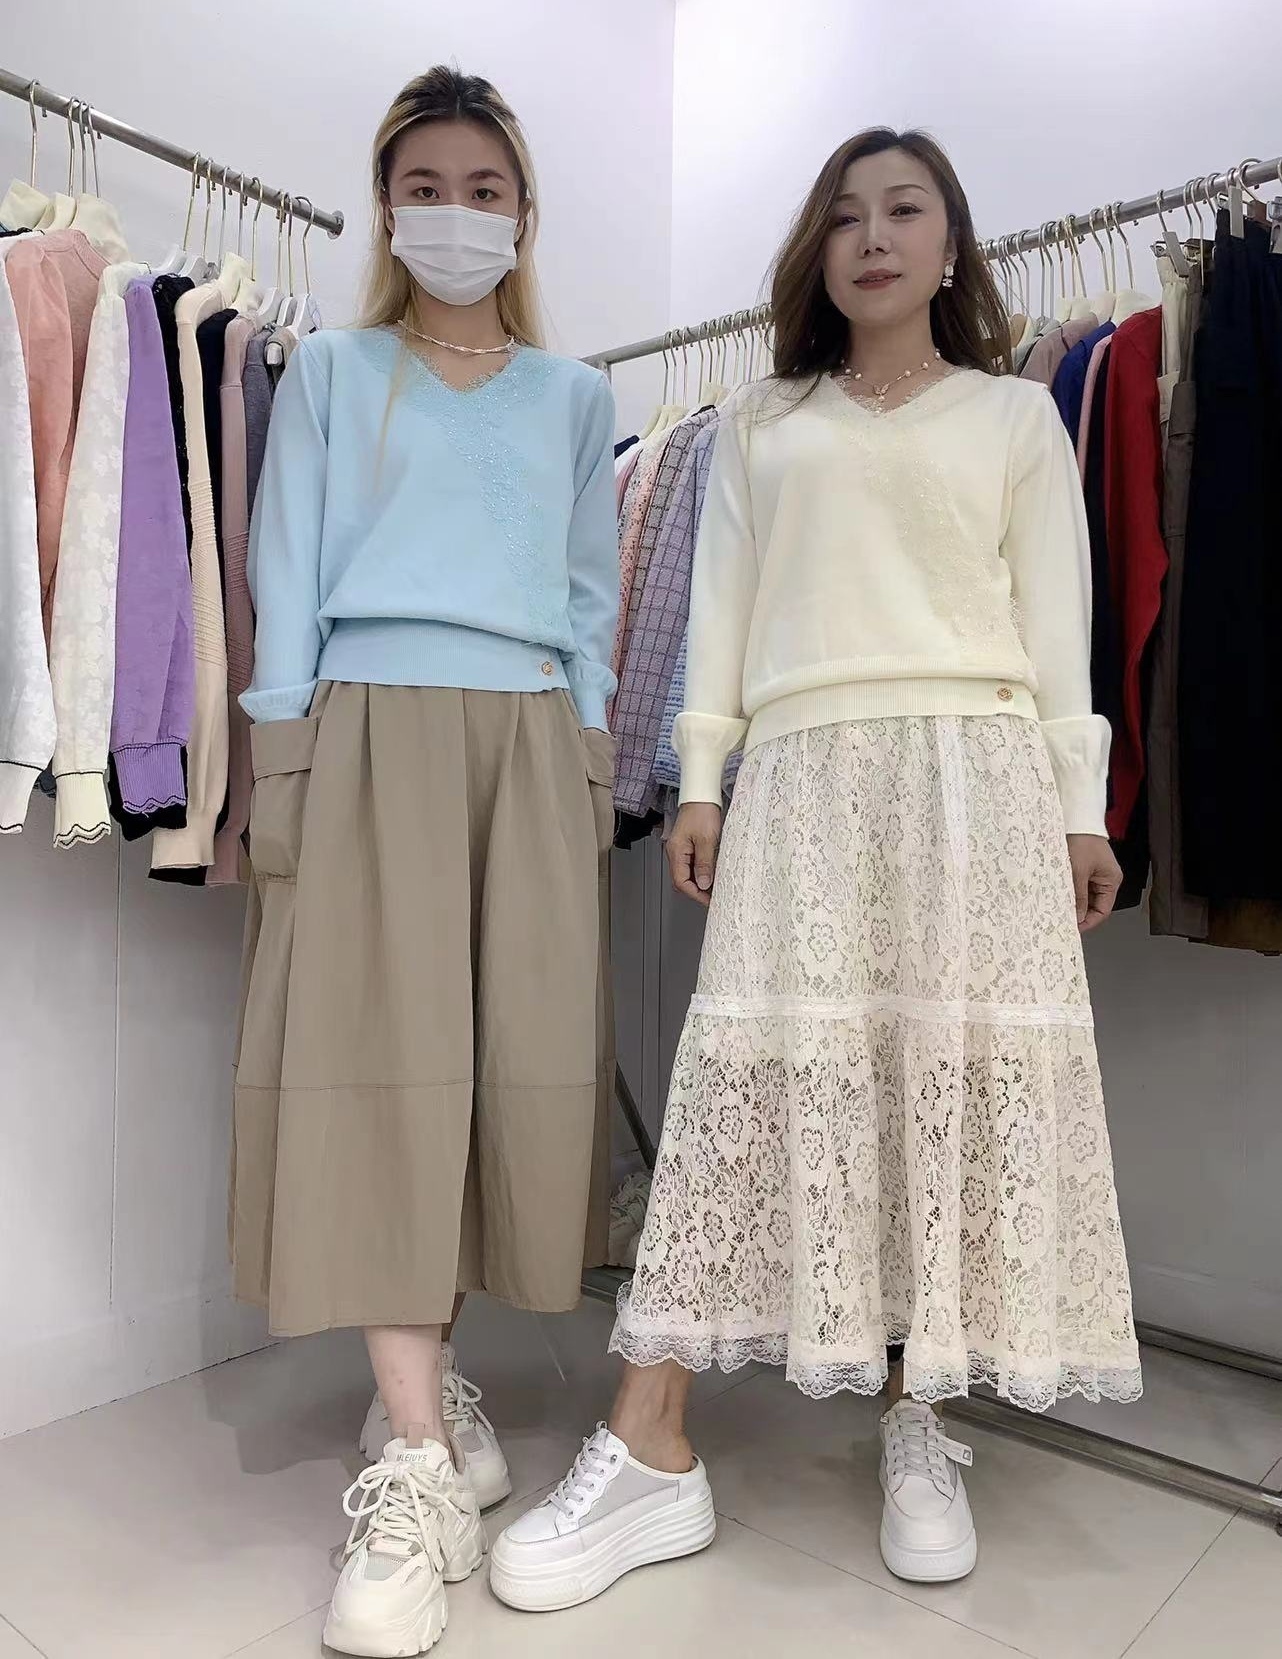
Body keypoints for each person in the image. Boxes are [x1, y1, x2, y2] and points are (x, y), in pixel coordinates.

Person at [491, 127, 1142, 1612]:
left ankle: (920, 1418)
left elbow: (1059, 628)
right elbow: (718, 614)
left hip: (974, 773)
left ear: (950, 243)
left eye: (905, 210)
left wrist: (1079, 808)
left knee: (944, 1079)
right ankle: (649, 1439)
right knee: (747, 1083)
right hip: (800, 774)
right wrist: (699, 777)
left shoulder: (1013, 416)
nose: (874, 237)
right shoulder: (760, 421)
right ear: (816, 250)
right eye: (845, 216)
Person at [232, 66, 619, 1657]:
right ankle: (409, 1465)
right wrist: (281, 762)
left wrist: (587, 762)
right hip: (372, 718)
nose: (454, 214)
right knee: (382, 1072)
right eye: (424, 186)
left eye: (483, 187)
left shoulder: (576, 396)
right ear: (386, 207)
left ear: (522, 210)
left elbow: (588, 600)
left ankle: (430, 1388)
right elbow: (284, 567)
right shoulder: (335, 372)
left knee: (487, 1084)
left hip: (528, 736)